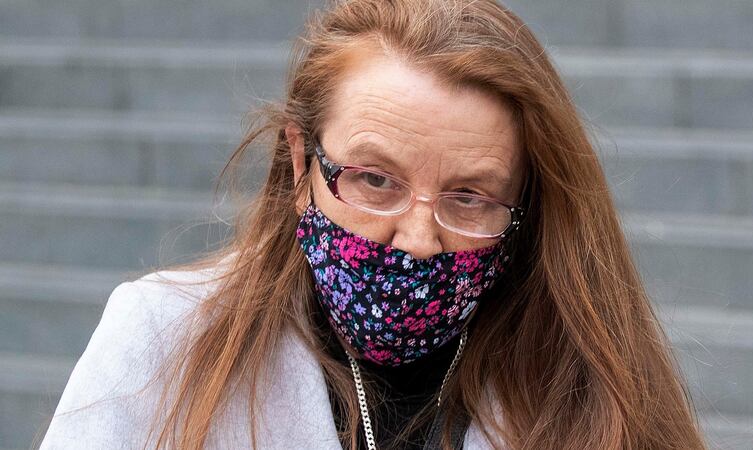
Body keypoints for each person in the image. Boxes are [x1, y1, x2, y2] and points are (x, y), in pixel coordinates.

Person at [38, 0, 708, 449]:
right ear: (302, 164)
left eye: (469, 196)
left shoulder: (592, 387)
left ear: (525, 206)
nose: (418, 240)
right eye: (374, 180)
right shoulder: (162, 340)